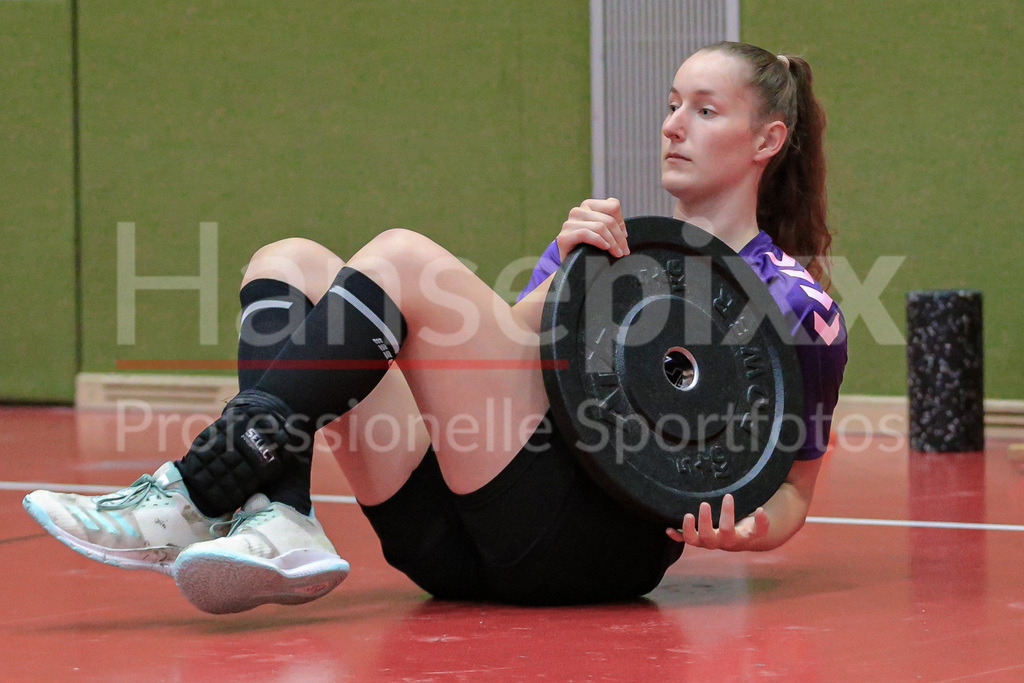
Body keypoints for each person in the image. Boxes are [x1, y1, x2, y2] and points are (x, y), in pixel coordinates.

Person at [24, 41, 847, 613]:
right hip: (450, 546)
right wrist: (562, 267)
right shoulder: (611, 249)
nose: (673, 124)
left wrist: (750, 529)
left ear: (767, 139)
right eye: (672, 105)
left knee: (403, 258)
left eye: (704, 110)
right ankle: (279, 515)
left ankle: (201, 488)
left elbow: (795, 490)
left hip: (582, 550)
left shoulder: (795, 307)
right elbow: (525, 357)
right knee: (292, 260)